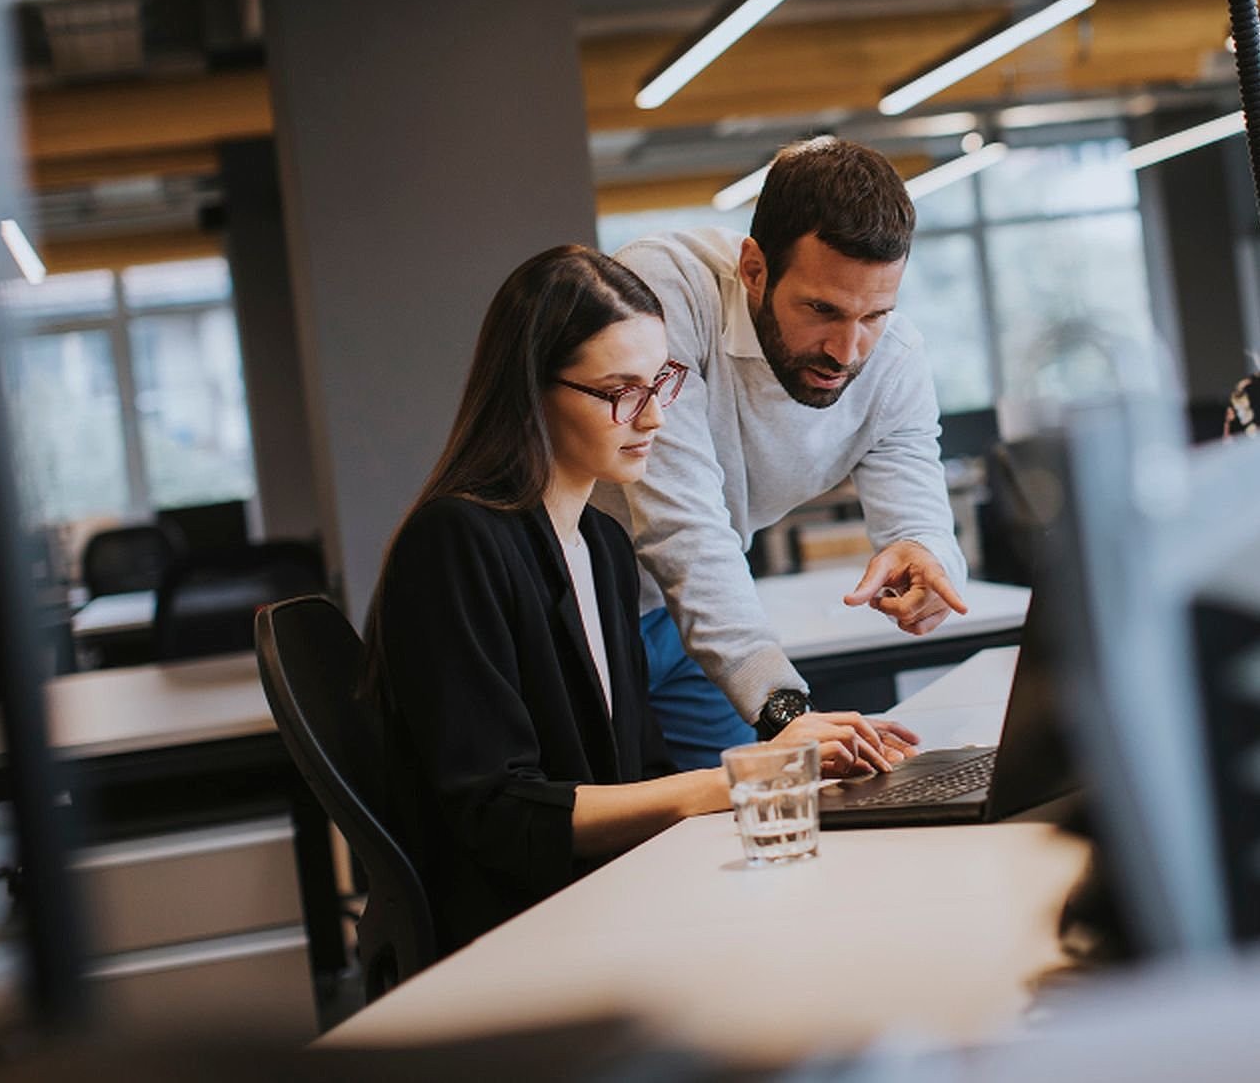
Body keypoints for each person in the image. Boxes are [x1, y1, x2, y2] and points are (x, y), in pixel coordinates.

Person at [362, 245, 905, 952]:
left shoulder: (606, 549)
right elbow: (498, 814)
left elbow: (637, 775)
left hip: (607, 905)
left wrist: (782, 776)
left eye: (662, 383)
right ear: (533, 389)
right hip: (520, 940)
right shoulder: (455, 542)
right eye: (621, 391)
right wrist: (742, 776)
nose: (653, 419)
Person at [592, 138, 969, 770]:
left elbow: (917, 510)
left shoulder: (894, 360)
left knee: (725, 816)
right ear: (754, 269)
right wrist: (784, 710)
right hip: (573, 615)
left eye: (875, 314)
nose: (848, 351)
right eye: (822, 310)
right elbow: (682, 522)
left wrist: (928, 557)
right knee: (593, 835)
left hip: (686, 622)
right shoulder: (663, 291)